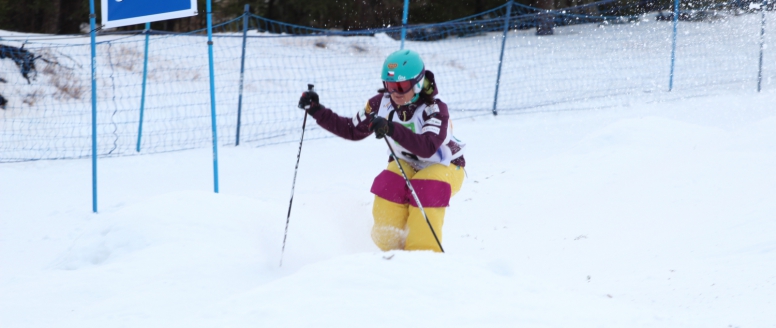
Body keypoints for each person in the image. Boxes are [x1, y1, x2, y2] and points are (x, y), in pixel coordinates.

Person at [297, 49, 466, 252]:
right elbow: (351, 129)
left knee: (425, 187)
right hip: (408, 163)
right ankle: (387, 253)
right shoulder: (380, 104)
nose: (395, 93)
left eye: (401, 86)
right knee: (389, 185)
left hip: (446, 166)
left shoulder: (434, 109)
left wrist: (392, 128)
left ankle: (423, 255)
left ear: (418, 83)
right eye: (389, 85)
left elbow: (428, 147)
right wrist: (317, 110)